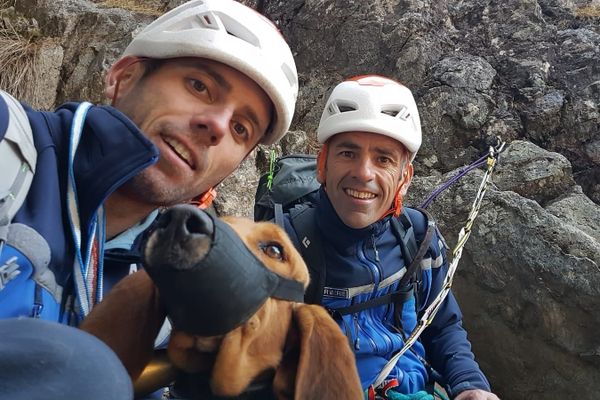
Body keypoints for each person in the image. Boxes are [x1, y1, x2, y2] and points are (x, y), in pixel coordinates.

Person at [0, 0, 297, 398]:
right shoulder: (8, 145)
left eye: (241, 128)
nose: (217, 125)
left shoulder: (169, 288)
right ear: (123, 76)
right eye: (199, 86)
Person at [280, 75, 499, 400]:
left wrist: (470, 385)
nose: (364, 173)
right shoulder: (284, 244)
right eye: (347, 154)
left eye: (383, 159)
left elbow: (441, 325)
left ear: (404, 178)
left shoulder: (419, 239)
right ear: (322, 165)